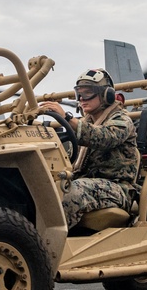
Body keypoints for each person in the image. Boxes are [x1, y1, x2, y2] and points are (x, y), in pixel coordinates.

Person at [39, 68, 140, 228]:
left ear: (106, 95)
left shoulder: (122, 120)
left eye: (87, 93)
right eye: (79, 93)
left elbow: (104, 137)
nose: (81, 99)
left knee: (70, 192)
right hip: (87, 182)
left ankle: (47, 244)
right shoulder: (85, 123)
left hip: (118, 188)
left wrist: (67, 118)